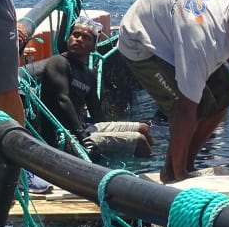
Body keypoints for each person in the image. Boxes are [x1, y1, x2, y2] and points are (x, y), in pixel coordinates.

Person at [116, 0, 229, 184]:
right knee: (186, 107)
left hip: (174, 28)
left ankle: (186, 164)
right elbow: (186, 109)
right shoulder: (201, 41)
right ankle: (174, 175)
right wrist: (182, 180)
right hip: (142, 43)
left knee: (226, 95)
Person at [35, 18, 154, 161]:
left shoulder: (88, 74)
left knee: (143, 128)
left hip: (85, 129)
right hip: (63, 135)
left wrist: (107, 133)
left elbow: (96, 112)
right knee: (139, 141)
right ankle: (144, 175)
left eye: (86, 37)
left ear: (93, 46)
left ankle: (157, 161)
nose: (79, 39)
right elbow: (63, 99)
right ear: (69, 38)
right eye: (76, 35)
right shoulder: (59, 62)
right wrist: (82, 137)